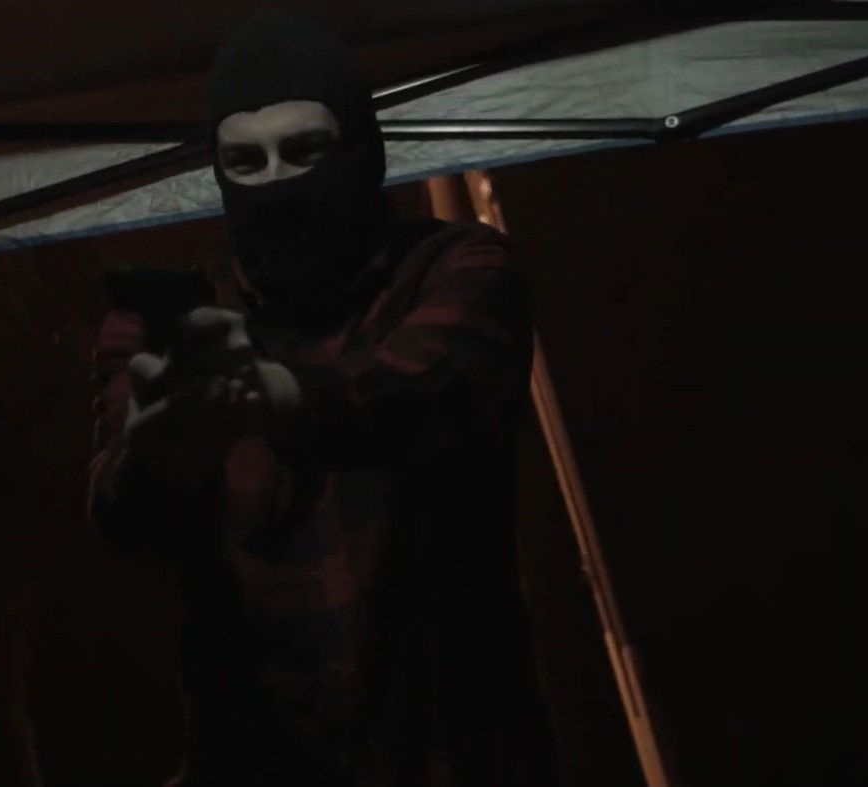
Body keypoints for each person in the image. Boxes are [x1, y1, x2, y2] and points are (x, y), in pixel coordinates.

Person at [87, 12, 558, 786]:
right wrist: (159, 457)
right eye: (245, 161)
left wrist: (273, 396)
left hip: (454, 754)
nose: (276, 184)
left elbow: (420, 388)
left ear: (361, 151)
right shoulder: (162, 328)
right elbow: (122, 510)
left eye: (303, 151)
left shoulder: (453, 266)